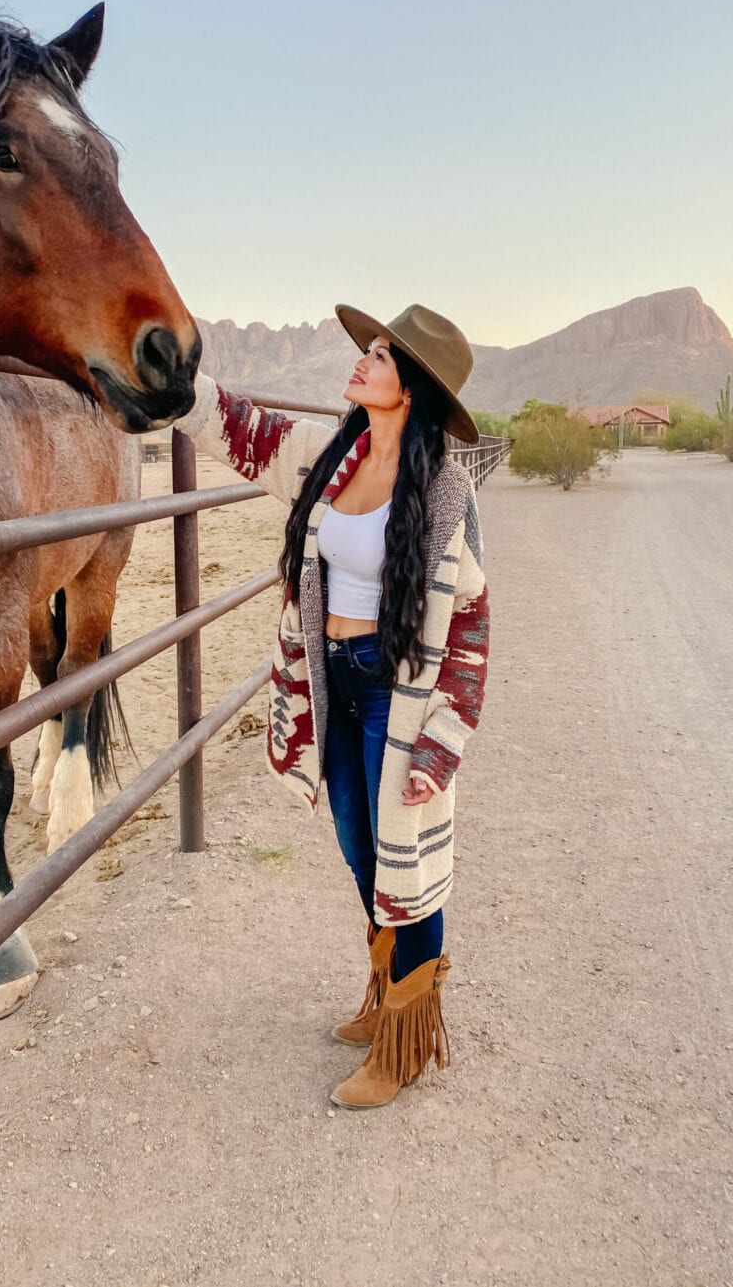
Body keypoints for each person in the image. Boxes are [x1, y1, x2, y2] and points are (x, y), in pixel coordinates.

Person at [173, 303, 489, 1109]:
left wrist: (440, 745)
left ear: (409, 389)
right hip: (334, 682)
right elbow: (245, 433)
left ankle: (405, 1044)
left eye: (380, 356)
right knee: (360, 847)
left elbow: (471, 623)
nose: (362, 361)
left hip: (400, 695)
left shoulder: (446, 492)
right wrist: (180, 384)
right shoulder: (333, 453)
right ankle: (385, 991)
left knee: (406, 863)